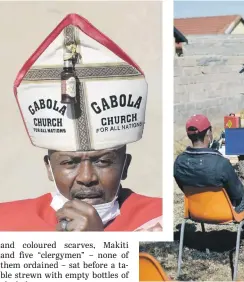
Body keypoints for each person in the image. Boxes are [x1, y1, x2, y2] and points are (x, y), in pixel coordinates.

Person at [0, 13, 162, 232]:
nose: (87, 178)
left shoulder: (156, 220)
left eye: (103, 161)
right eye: (69, 163)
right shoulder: (8, 222)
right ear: (49, 168)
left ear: (125, 165)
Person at [174, 114, 244, 241]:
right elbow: (238, 195)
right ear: (209, 133)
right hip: (224, 212)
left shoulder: (179, 162)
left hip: (196, 211)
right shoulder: (221, 163)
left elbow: (184, 189)